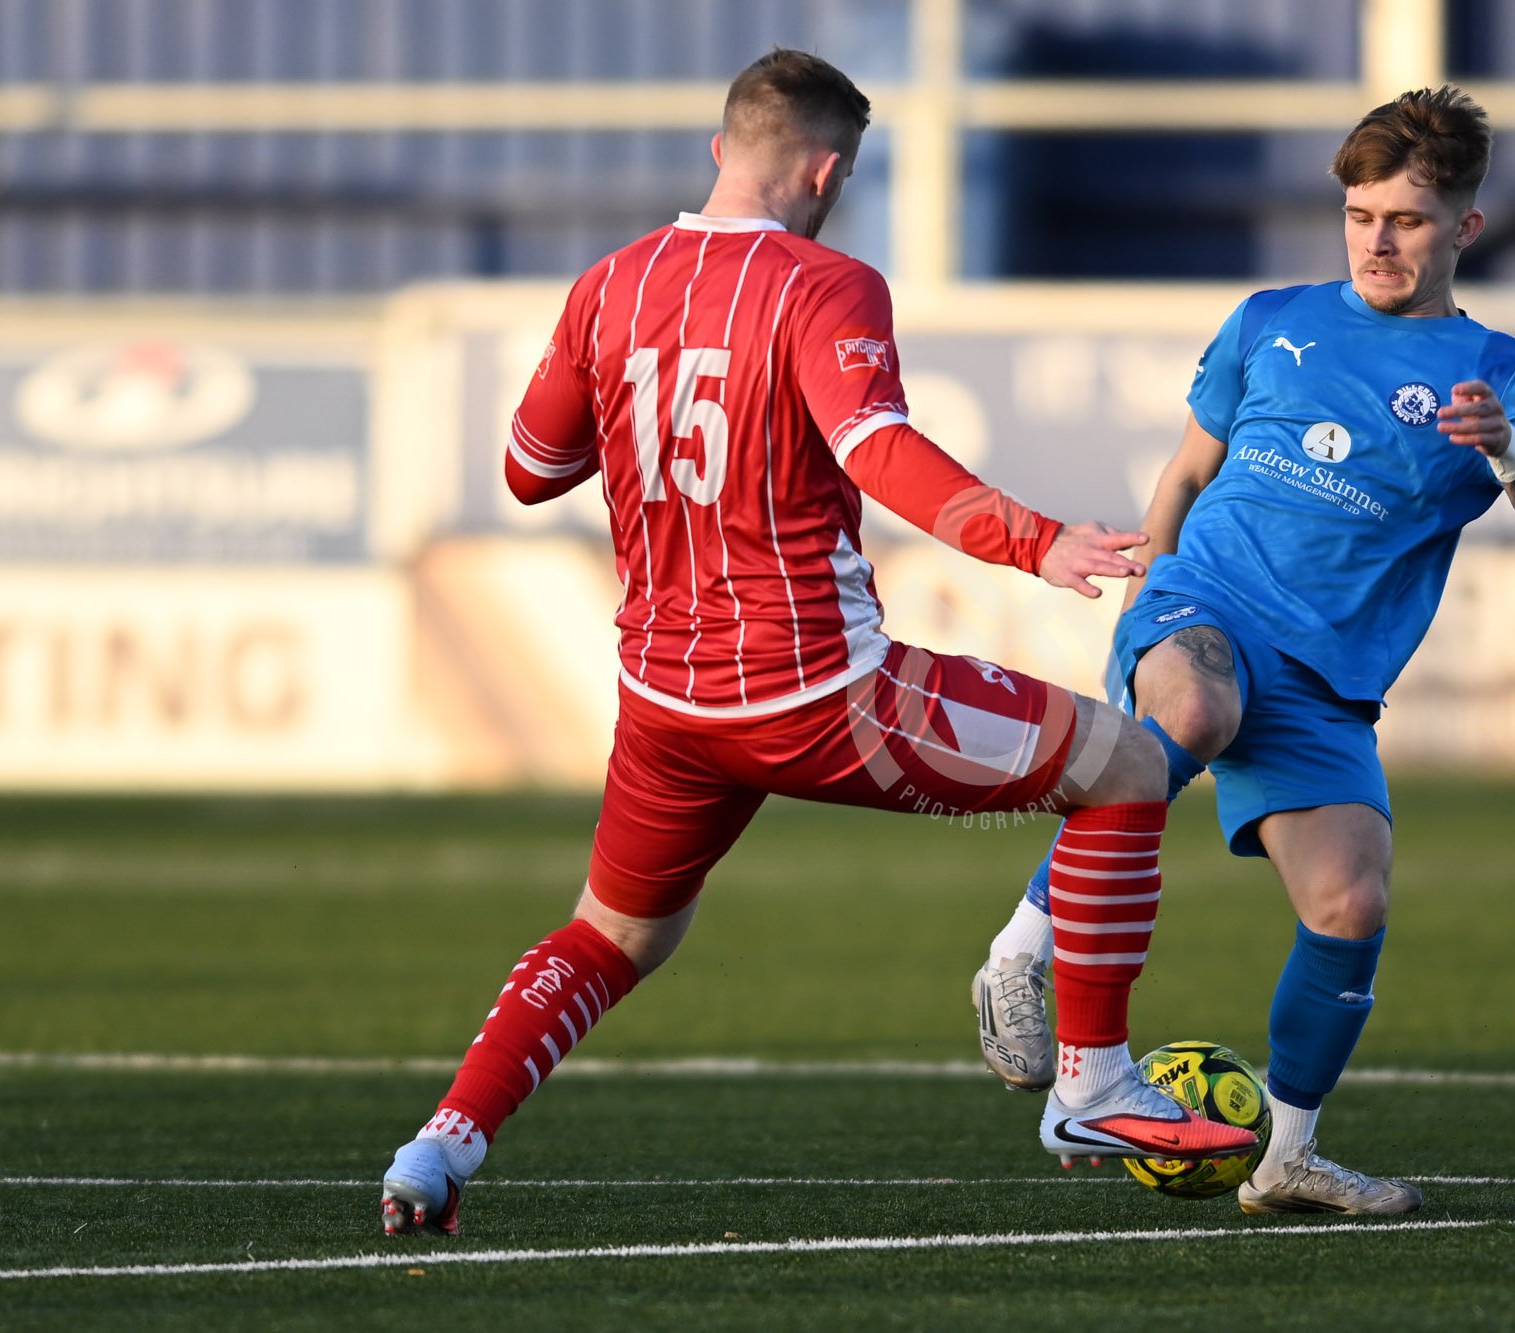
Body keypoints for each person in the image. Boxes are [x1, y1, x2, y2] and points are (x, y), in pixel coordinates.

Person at [377, 48, 1257, 1236]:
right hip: (815, 689)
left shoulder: (608, 284)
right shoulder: (824, 284)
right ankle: (1092, 1084)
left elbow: (530, 469)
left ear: (719, 148)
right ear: (828, 168)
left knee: (615, 933)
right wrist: (1033, 541)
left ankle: (440, 1145)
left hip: (665, 705)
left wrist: (642, 407)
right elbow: (877, 452)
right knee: (1126, 767)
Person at [972, 85, 1515, 1216]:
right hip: (1203, 606)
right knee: (1192, 719)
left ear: (1463, 228)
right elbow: (1183, 475)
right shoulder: (1268, 319)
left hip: (1326, 683)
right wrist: (1147, 595)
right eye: (1359, 215)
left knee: (1350, 904)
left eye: (1405, 220)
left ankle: (1285, 1157)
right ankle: (1018, 953)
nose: (1376, 241)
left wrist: (1508, 453)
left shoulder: (1498, 372)